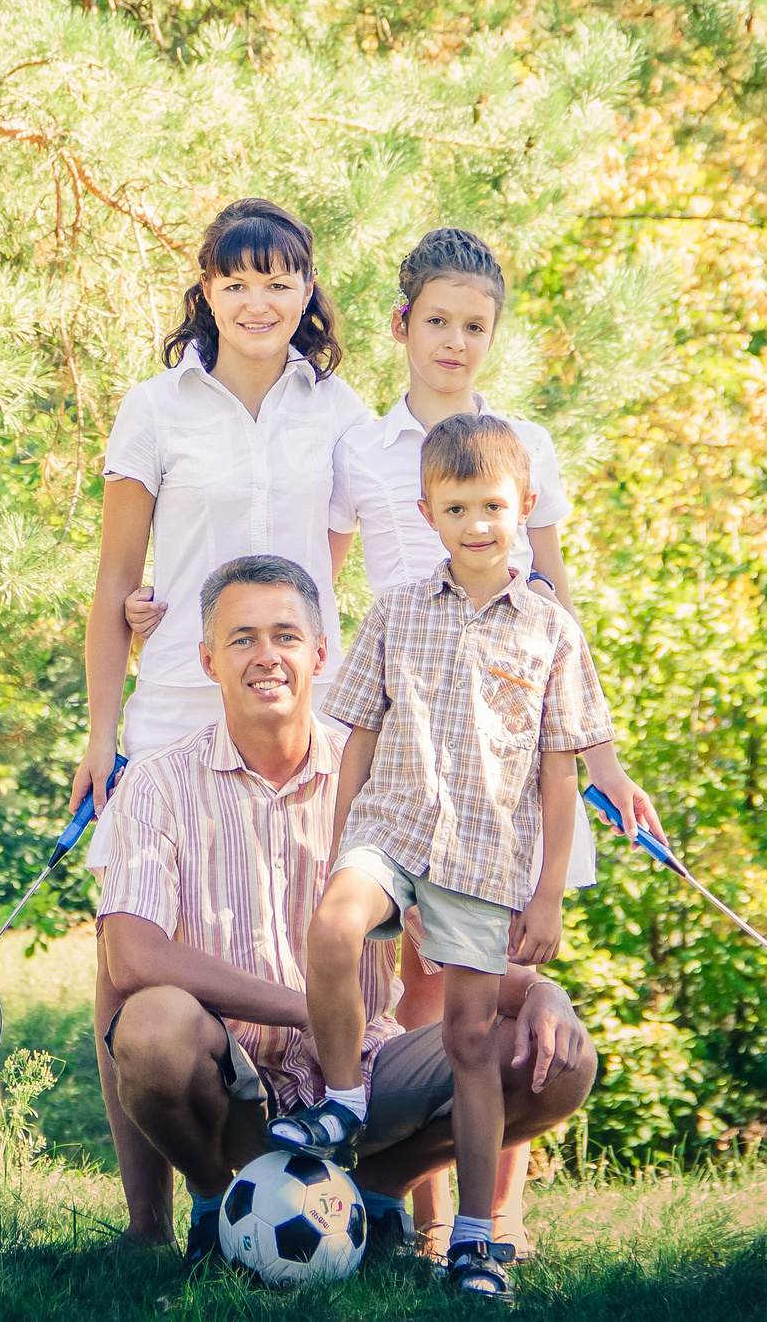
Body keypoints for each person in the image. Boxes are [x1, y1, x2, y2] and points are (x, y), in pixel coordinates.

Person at [93, 553, 597, 1271]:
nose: (266, 656)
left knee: (560, 1060)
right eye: (241, 639)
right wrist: (307, 1008)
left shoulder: (384, 783)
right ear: (208, 660)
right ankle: (216, 1201)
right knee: (147, 1024)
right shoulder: (157, 784)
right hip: (227, 1087)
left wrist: (542, 990)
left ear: (321, 654)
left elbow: (450, 936)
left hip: (361, 1083)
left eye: (286, 636)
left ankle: (377, 1185)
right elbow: (133, 955)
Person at [328, 225, 665, 1260]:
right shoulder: (360, 448)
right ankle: (401, 1206)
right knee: (415, 991)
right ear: (402, 323)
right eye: (438, 320)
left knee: (489, 983)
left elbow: (553, 594)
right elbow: (318, 568)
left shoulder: (526, 446)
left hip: (507, 754)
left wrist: (601, 758)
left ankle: (486, 1228)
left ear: (493, 333)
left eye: (476, 325)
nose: (455, 341)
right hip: (408, 744)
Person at [73, 199, 372, 1237]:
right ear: (204, 290)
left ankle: (320, 1176)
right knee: (130, 956)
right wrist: (99, 733)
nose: (258, 301)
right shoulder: (156, 406)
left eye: (278, 280)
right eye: (235, 282)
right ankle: (154, 1224)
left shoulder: (340, 411)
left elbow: (324, 577)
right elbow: (115, 582)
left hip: (296, 703)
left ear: (307, 290)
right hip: (171, 704)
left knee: (315, 931)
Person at [281, 414, 614, 1303]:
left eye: (494, 505)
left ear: (525, 506)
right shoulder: (395, 610)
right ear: (428, 512)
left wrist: (547, 894)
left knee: (471, 1041)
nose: (476, 522)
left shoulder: (552, 631)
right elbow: (356, 731)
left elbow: (559, 773)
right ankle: (346, 1098)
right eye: (457, 506)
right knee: (334, 925)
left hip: (482, 861)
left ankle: (474, 1242)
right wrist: (342, 836)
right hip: (389, 830)